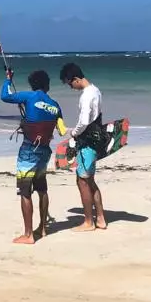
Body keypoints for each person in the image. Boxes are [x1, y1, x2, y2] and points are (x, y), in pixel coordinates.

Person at [0, 67, 63, 245]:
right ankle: (42, 228)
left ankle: (28, 235)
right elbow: (61, 128)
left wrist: (8, 79)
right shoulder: (55, 105)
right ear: (47, 85)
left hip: (29, 150)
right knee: (42, 189)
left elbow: (5, 96)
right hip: (44, 150)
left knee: (25, 191)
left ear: (33, 85)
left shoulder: (29, 97)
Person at [59, 62, 107, 232]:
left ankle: (88, 222)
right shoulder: (96, 90)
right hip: (96, 139)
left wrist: (73, 133)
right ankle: (100, 218)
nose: (71, 87)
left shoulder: (86, 95)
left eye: (70, 84)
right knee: (90, 180)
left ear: (76, 79)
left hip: (87, 142)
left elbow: (84, 121)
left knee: (82, 181)